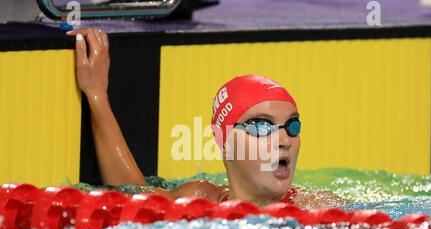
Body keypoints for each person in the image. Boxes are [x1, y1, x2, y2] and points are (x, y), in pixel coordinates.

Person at [66, 28, 347, 209]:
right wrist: (96, 95)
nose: (284, 139)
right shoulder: (201, 198)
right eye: (262, 126)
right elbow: (131, 190)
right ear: (223, 140)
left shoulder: (316, 208)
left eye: (292, 125)